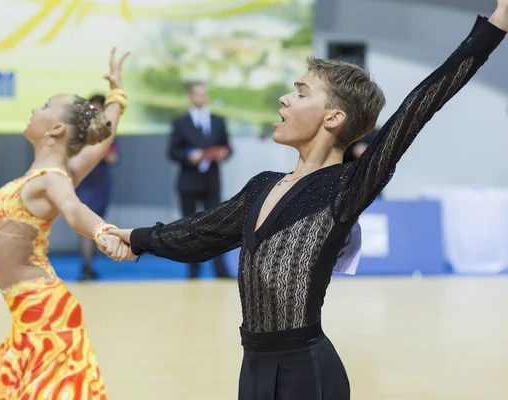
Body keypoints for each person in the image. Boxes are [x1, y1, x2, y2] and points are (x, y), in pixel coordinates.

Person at [107, 5, 508, 399]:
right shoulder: (261, 186)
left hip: (307, 374)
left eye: (299, 92)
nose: (283, 98)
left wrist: (496, 24)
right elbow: (199, 234)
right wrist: (133, 238)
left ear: (333, 118)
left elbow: (420, 105)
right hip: (253, 369)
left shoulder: (347, 186)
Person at [0, 48, 131, 400]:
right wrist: (117, 95)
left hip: (44, 315)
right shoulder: (58, 172)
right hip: (31, 317)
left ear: (56, 128)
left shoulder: (54, 179)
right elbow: (103, 139)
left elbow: (75, 209)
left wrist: (101, 230)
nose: (35, 109)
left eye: (45, 105)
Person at [168, 81, 233, 279]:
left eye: (204, 94)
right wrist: (189, 156)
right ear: (190, 96)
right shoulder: (181, 122)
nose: (201, 97)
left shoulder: (218, 121)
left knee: (216, 226)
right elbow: (172, 152)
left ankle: (220, 270)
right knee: (189, 228)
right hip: (188, 181)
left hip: (211, 181)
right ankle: (193, 271)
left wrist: (222, 154)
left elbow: (227, 147)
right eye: (197, 94)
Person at [75, 94, 119, 280]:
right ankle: (86, 264)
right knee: (86, 223)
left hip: (100, 179)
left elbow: (114, 158)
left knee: (98, 224)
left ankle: (89, 263)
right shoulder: (79, 132)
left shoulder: (109, 131)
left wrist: (102, 147)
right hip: (84, 178)